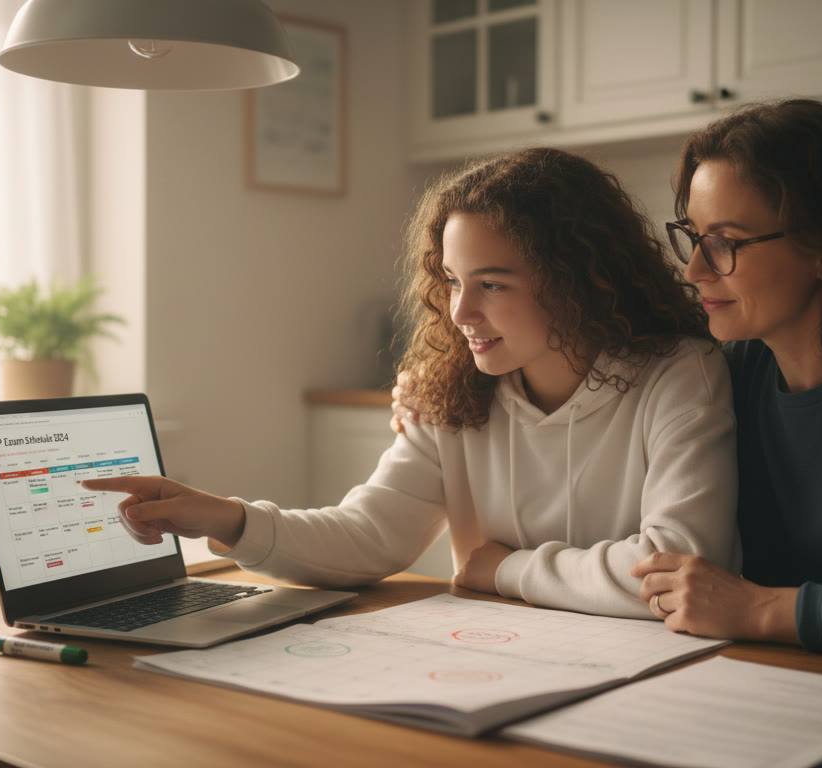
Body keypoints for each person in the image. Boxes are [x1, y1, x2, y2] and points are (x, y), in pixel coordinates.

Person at [395, 101, 822, 664]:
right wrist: (431, 384)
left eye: (727, 242)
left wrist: (764, 610)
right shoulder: (729, 370)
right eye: (694, 238)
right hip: (758, 681)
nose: (697, 269)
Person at [84, 147, 740, 619]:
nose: (460, 312)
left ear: (578, 280)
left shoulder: (678, 374)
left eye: (492, 284)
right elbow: (368, 535)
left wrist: (504, 569)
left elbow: (676, 570)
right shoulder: (455, 392)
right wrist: (222, 517)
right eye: (453, 282)